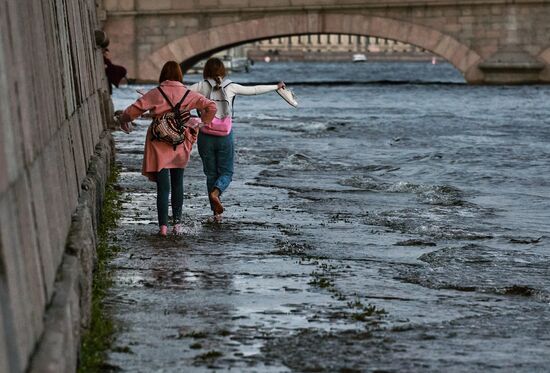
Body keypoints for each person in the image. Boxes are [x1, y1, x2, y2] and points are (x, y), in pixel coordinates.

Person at [118, 61, 217, 236]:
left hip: (158, 143)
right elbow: (212, 106)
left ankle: (162, 227)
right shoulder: (189, 94)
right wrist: (202, 123)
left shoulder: (155, 93)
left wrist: (123, 119)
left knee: (163, 188)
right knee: (178, 183)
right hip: (180, 142)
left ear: (163, 75)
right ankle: (177, 225)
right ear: (180, 75)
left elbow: (131, 112)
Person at [189, 57, 285, 222]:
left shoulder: (198, 87)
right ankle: (216, 193)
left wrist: (150, 96)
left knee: (210, 173)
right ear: (223, 72)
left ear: (206, 71)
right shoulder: (231, 86)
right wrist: (276, 86)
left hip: (205, 135)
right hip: (225, 135)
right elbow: (254, 90)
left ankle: (216, 214)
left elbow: (177, 94)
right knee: (226, 172)